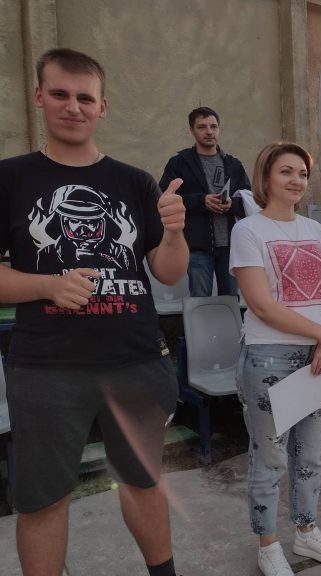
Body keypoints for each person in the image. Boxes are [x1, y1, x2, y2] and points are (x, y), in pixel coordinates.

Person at [0, 48, 187, 576]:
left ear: (102, 107)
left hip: (137, 362)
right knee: (43, 500)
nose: (73, 106)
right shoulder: (10, 178)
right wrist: (46, 285)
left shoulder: (135, 182)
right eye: (60, 94)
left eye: (85, 98)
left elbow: (168, 272)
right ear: (39, 97)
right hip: (46, 369)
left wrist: (175, 232)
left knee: (145, 483)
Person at [230, 142, 321, 576]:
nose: (296, 180)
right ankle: (268, 545)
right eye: (285, 171)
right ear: (265, 178)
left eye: (302, 173)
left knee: (310, 456)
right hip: (270, 357)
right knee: (270, 459)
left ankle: (306, 530)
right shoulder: (249, 231)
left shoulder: (315, 230)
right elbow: (261, 305)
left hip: (318, 356)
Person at [159, 106, 250, 297]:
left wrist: (231, 204)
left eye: (213, 126)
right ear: (191, 130)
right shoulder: (179, 163)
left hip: (231, 245)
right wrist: (201, 201)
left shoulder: (234, 164)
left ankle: (227, 320)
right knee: (200, 298)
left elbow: (249, 202)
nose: (209, 131)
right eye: (202, 127)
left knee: (230, 299)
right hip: (196, 244)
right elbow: (165, 199)